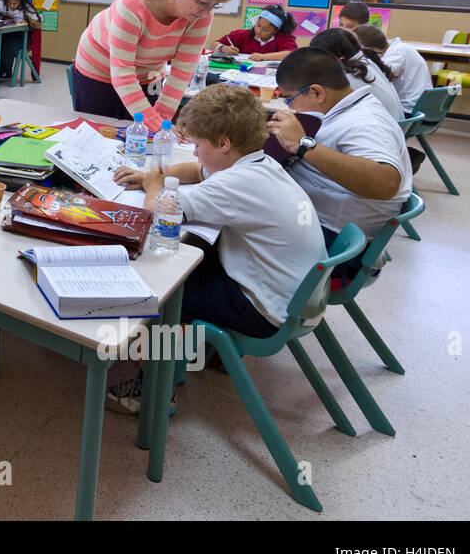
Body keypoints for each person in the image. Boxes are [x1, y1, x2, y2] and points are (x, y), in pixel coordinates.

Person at [107, 84, 326, 413]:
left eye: (197, 144)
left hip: (264, 312)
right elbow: (198, 170)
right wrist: (155, 174)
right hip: (292, 296)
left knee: (165, 289)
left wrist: (155, 186)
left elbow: (161, 211)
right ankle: (179, 360)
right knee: (193, 257)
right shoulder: (257, 164)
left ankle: (152, 391)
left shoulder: (236, 183)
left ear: (224, 143)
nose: (194, 152)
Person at [268, 48, 412, 281]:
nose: (290, 107)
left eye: (290, 99)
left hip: (337, 247)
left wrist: (303, 145)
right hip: (322, 226)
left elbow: (385, 183)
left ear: (316, 92)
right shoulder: (345, 110)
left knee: (223, 227)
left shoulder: (365, 121)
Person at [74, 0, 234, 131]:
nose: (206, 12)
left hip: (149, 73)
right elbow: (122, 74)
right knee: (101, 132)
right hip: (99, 67)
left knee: (142, 136)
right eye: (202, 2)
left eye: (214, 5)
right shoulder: (132, 6)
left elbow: (183, 70)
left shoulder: (201, 14)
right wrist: (155, 124)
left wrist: (162, 123)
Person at [309, 27, 403, 121]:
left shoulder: (348, 75)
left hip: (381, 128)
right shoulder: (365, 62)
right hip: (394, 125)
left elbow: (323, 111)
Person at [355, 25, 432, 114]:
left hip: (409, 110)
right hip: (420, 107)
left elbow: (379, 78)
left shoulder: (397, 53)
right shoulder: (401, 47)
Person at [215, 5, 298, 61]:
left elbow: (291, 54)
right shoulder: (242, 34)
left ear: (276, 30)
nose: (258, 31)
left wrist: (263, 57)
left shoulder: (283, 39)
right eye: (258, 25)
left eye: (265, 29)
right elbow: (214, 44)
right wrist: (223, 48)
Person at [0, 0, 43, 79]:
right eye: (10, 3)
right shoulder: (1, 3)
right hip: (6, 33)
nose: (12, 6)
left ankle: (6, 72)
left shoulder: (27, 7)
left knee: (8, 47)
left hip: (22, 37)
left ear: (21, 1)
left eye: (15, 4)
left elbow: (38, 24)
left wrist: (27, 20)